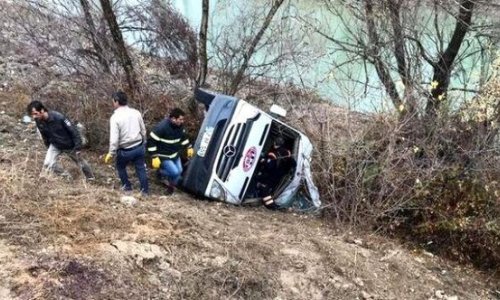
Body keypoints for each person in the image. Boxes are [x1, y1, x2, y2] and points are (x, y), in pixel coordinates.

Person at [27, 100, 94, 180]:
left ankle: (90, 178)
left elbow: (73, 131)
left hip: (69, 145)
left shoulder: (59, 117)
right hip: (55, 145)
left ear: (42, 110)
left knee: (81, 163)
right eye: (32, 115)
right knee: (48, 164)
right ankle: (66, 176)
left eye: (35, 114)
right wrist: (48, 145)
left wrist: (78, 147)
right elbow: (44, 134)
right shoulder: (38, 121)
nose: (34, 117)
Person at [104, 91, 149, 195]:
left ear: (116, 101)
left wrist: (111, 153)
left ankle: (127, 188)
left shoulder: (115, 118)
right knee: (141, 169)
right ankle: (145, 191)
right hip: (138, 146)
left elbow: (114, 139)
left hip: (125, 150)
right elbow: (143, 130)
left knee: (120, 167)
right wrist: (144, 141)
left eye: (113, 101)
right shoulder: (136, 112)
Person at [147, 108, 194, 195]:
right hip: (163, 155)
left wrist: (189, 147)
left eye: (183, 119)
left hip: (174, 154)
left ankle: (170, 187)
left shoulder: (180, 127)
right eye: (180, 119)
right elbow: (151, 142)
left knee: (179, 171)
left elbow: (183, 138)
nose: (182, 121)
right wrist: (154, 157)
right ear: (173, 118)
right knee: (175, 172)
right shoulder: (161, 128)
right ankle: (160, 172)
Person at [255, 136, 294, 208]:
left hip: (271, 175)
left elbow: (269, 166)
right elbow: (293, 163)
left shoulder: (273, 154)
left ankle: (271, 206)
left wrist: (263, 161)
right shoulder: (287, 152)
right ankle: (271, 204)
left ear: (274, 143)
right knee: (268, 188)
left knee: (264, 189)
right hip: (280, 175)